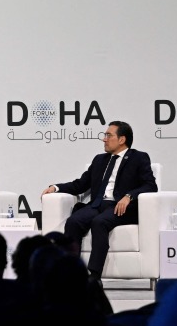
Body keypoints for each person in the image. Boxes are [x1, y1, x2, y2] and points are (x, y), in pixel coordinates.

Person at [42, 120, 157, 280]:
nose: (104, 139)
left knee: (99, 222)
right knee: (73, 222)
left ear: (122, 139)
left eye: (109, 135)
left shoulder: (138, 158)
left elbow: (150, 185)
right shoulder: (99, 160)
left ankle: (94, 276)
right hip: (97, 205)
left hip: (120, 207)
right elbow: (81, 184)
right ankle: (71, 274)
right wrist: (56, 187)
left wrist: (129, 196)